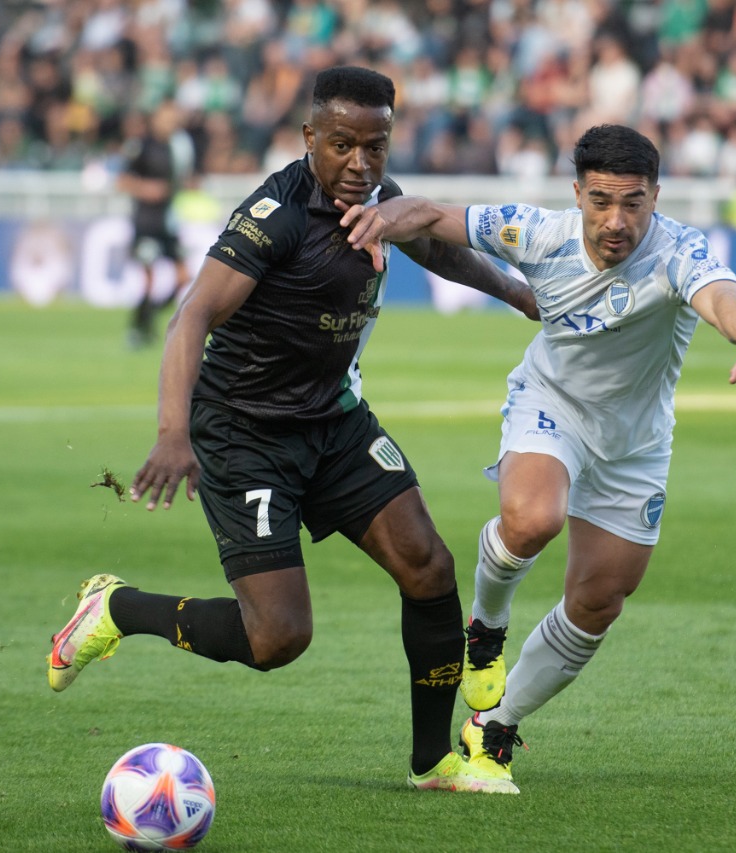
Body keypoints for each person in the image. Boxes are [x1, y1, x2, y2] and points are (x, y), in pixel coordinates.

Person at [46, 66, 537, 794]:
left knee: (429, 567)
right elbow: (191, 317)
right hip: (246, 434)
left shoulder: (380, 198)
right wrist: (171, 431)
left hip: (333, 422)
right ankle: (117, 607)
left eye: (376, 146)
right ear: (311, 138)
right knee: (279, 638)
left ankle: (435, 762)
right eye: (343, 145)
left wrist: (519, 292)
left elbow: (438, 249)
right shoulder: (275, 215)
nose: (360, 164)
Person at [341, 123, 736, 790]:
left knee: (599, 599)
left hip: (636, 443)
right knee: (532, 520)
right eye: (601, 201)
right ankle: (487, 626)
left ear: (656, 196)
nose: (617, 220)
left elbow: (719, 297)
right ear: (577, 193)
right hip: (550, 406)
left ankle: (492, 726)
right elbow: (435, 215)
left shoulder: (680, 250)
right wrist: (383, 216)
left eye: (633, 203)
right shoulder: (537, 232)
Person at [118, 100, 196, 347]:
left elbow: (180, 180)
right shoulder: (140, 146)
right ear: (155, 119)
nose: (171, 121)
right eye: (167, 117)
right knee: (149, 278)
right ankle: (137, 329)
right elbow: (122, 180)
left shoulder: (177, 147)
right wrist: (145, 188)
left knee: (184, 276)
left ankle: (149, 319)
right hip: (146, 221)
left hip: (168, 221)